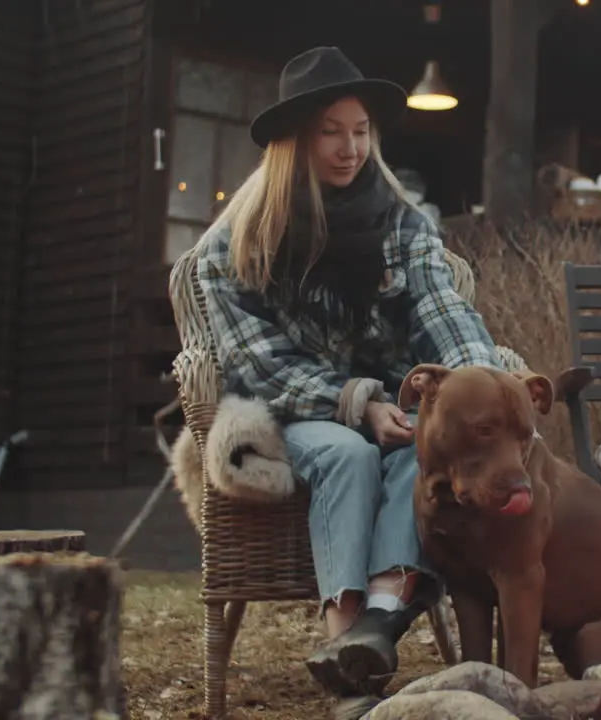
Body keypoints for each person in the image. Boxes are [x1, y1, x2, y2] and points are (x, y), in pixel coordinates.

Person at [196, 47, 501, 709]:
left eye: (360, 131)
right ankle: (347, 655)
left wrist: (485, 386)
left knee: (415, 447)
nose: (349, 147)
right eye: (331, 131)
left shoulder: (403, 224)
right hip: (294, 411)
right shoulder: (238, 242)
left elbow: (442, 310)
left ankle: (374, 630)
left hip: (391, 402)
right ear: (296, 140)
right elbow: (256, 362)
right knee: (347, 453)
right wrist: (352, 401)